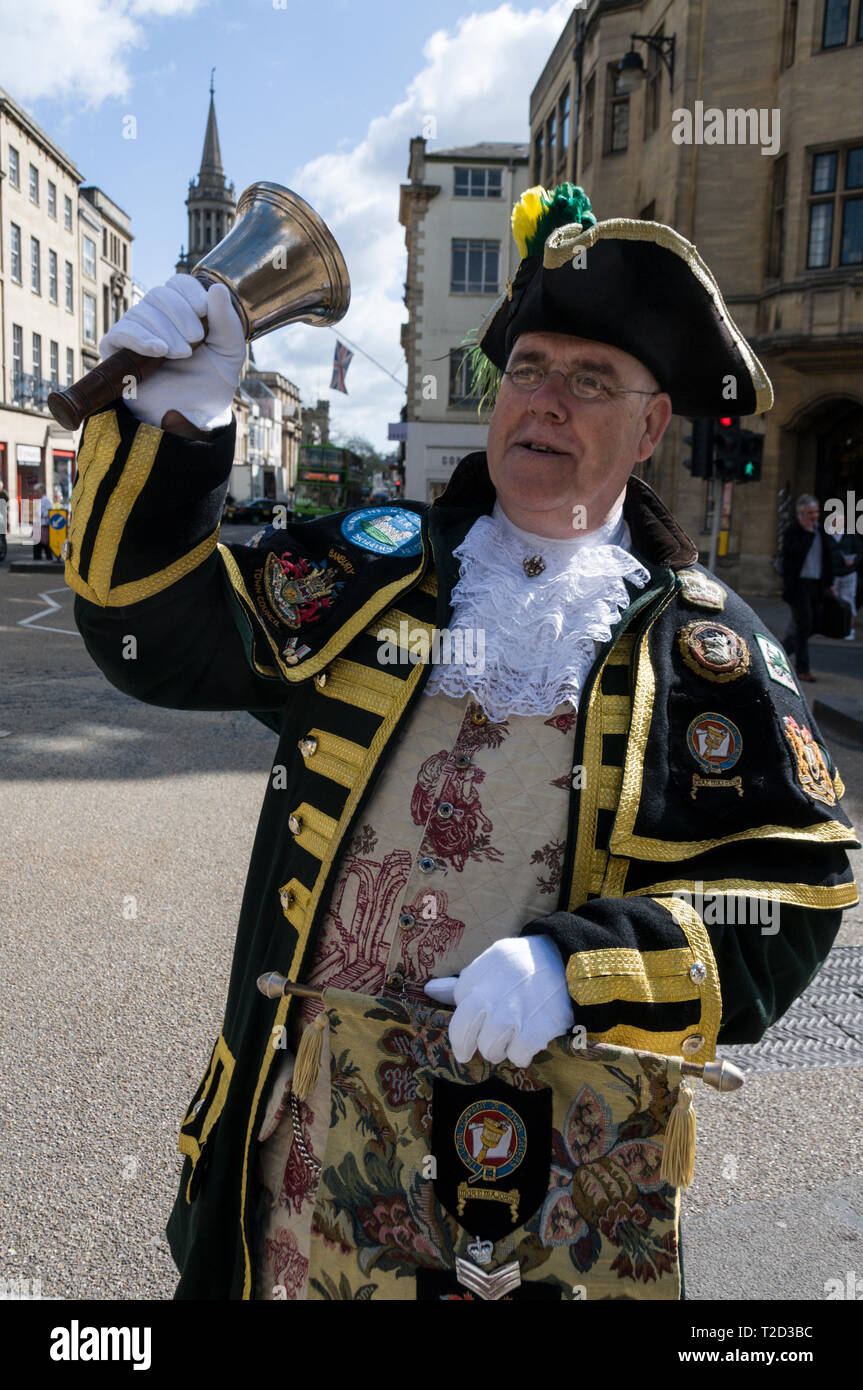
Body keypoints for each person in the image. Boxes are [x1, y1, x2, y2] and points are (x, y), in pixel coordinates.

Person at [65, 185, 858, 1301]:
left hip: (557, 1176)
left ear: (648, 428)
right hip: (318, 1144)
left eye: (590, 382)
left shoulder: (705, 647)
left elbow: (795, 891)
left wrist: (578, 968)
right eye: (528, 369)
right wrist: (179, 429)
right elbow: (154, 635)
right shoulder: (374, 568)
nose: (545, 401)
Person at [781, 494, 835, 680]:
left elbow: (828, 558)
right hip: (799, 585)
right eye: (810, 512)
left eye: (816, 511)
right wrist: (807, 533)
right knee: (804, 624)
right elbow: (792, 556)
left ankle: (781, 651)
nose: (814, 516)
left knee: (812, 625)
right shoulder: (794, 532)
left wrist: (830, 583)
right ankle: (803, 669)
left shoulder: (821, 531)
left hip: (817, 584)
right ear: (801, 513)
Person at [825, 507, 861, 640]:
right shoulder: (827, 536)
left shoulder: (850, 535)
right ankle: (832, 628)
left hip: (848, 574)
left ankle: (849, 629)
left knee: (848, 601)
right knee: (832, 602)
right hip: (833, 575)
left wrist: (853, 561)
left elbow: (859, 551)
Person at [31, 483, 52, 561]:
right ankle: (38, 560)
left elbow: (50, 512)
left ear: (41, 491)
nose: (35, 493)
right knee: (37, 547)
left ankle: (48, 560)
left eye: (36, 491)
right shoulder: (39, 500)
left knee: (45, 545)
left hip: (43, 526)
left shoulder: (45, 500)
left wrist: (41, 514)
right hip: (38, 526)